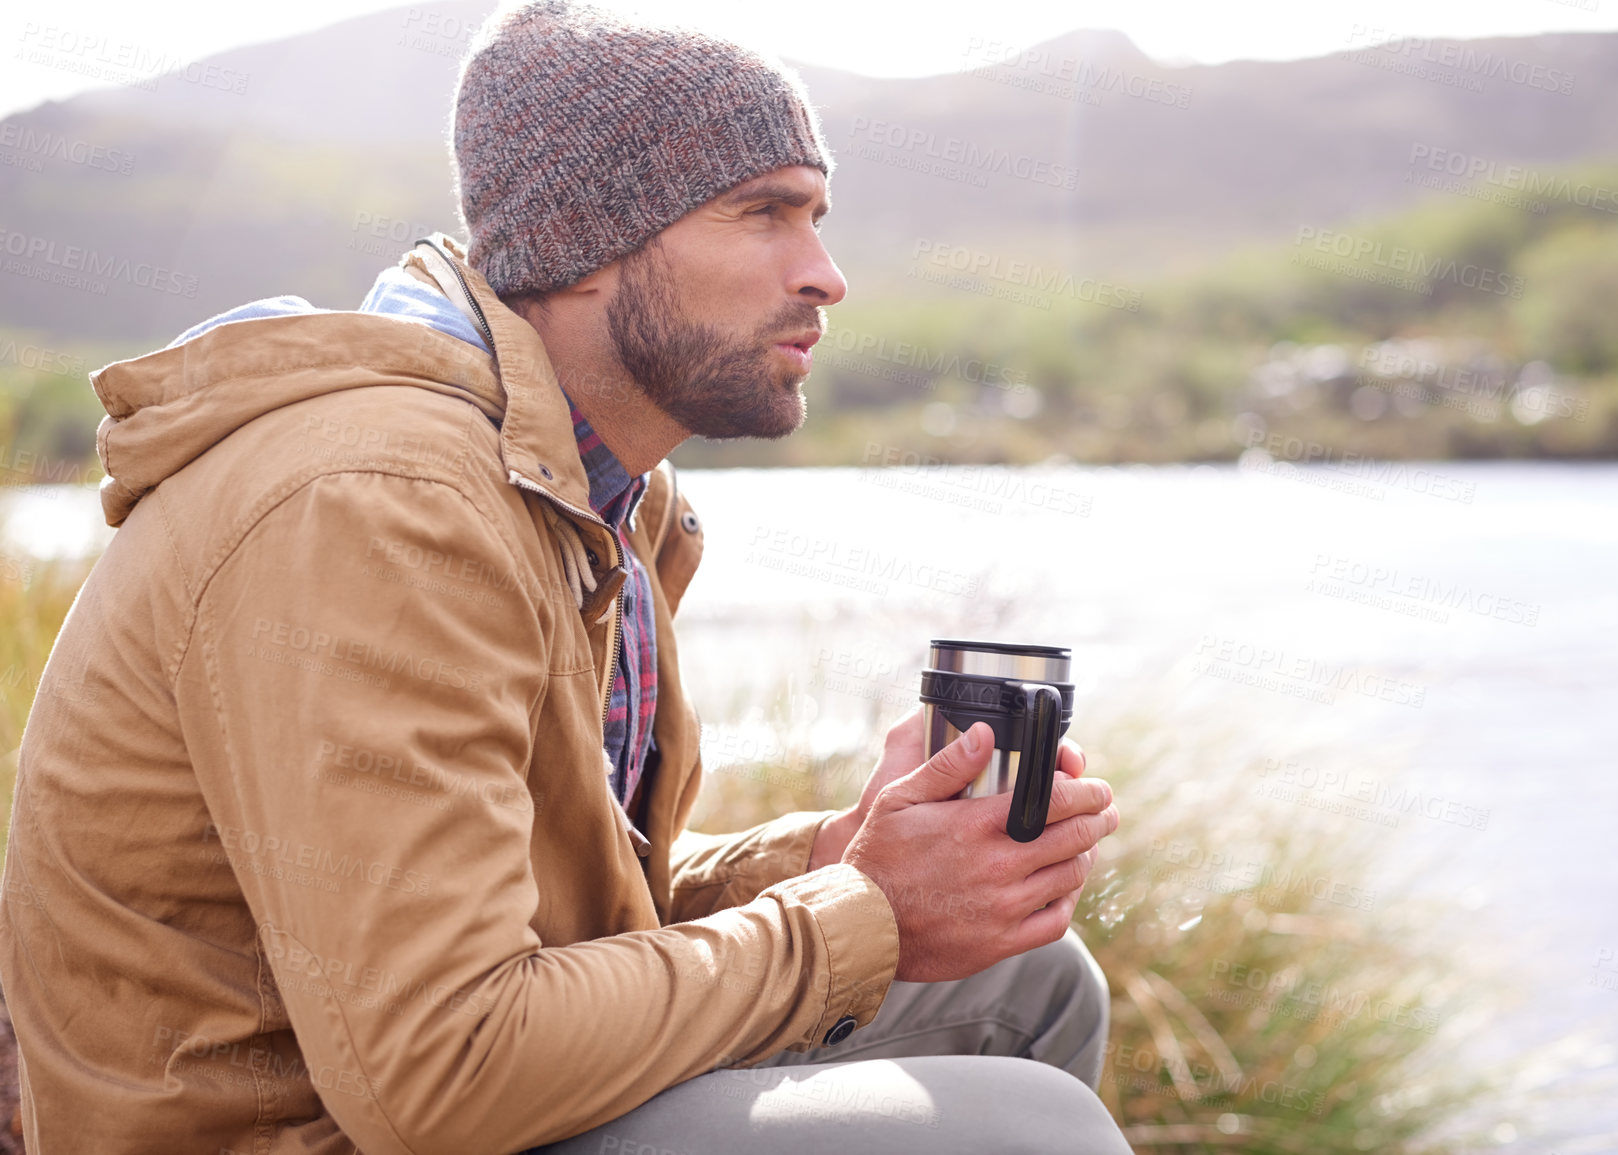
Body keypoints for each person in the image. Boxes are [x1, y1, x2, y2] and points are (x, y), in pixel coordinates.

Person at [0, 3, 1127, 1152]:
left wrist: (829, 862)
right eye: (765, 215)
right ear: (589, 239)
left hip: (435, 1090)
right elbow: (447, 1069)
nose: (827, 275)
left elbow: (560, 911)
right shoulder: (380, 506)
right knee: (1030, 1130)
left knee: (1032, 984)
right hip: (322, 1128)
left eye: (819, 218)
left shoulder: (597, 501)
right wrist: (865, 916)